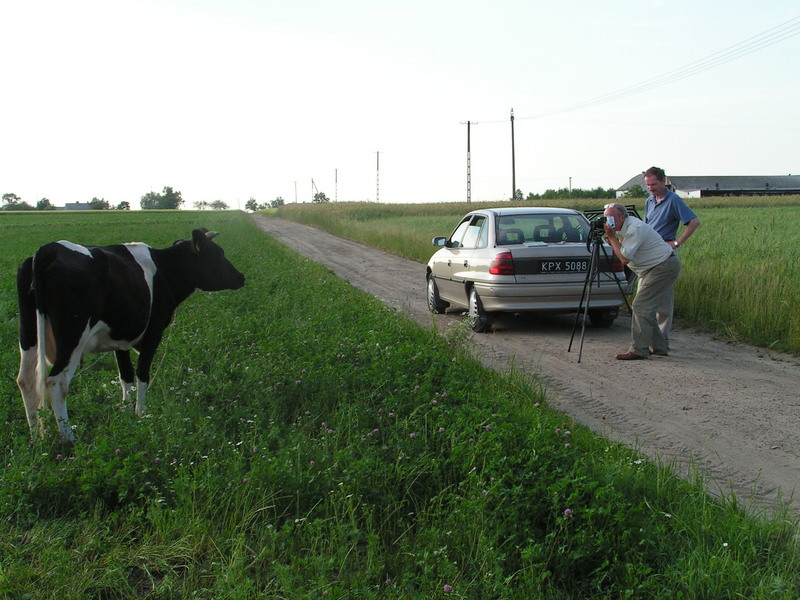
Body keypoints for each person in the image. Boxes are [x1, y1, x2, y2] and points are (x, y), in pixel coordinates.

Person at [602, 203, 681, 360]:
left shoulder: (634, 229)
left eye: (611, 218)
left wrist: (611, 237)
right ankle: (659, 347)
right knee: (646, 308)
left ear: (622, 217)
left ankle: (639, 349)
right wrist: (612, 239)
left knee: (641, 305)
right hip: (652, 269)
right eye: (605, 218)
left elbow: (624, 258)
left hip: (662, 266)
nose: (607, 222)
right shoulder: (625, 228)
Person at [643, 166, 700, 341]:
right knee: (644, 298)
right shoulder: (649, 201)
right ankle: (648, 337)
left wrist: (676, 243)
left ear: (663, 181)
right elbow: (646, 226)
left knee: (663, 302)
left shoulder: (673, 200)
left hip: (664, 254)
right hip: (648, 254)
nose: (651, 188)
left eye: (653, 184)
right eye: (647, 185)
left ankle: (662, 340)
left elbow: (694, 221)